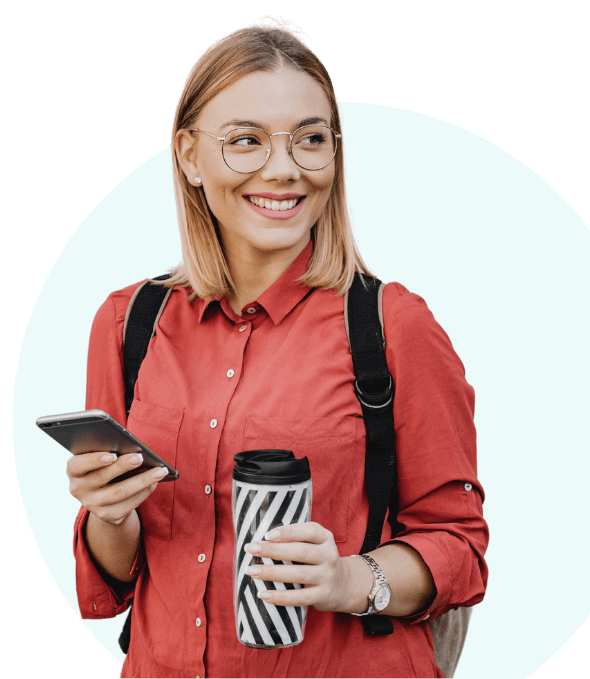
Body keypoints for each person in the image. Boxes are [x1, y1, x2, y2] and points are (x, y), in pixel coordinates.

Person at [68, 19, 489, 678]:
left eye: (311, 140)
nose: (285, 168)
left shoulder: (391, 325)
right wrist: (109, 510)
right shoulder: (128, 323)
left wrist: (350, 579)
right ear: (188, 155)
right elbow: (119, 570)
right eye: (246, 141)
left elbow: (460, 547)